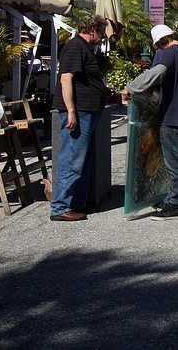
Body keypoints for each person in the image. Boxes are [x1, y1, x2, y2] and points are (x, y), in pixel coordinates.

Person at [124, 24, 178, 220]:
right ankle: (173, 199)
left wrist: (131, 87)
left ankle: (177, 205)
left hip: (171, 115)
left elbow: (156, 73)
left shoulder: (168, 53)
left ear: (160, 42)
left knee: (174, 163)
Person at [50, 14, 109, 222]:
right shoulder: (75, 47)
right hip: (79, 112)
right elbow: (66, 78)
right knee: (72, 159)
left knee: (83, 159)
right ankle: (60, 206)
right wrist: (71, 111)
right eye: (102, 32)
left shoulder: (84, 49)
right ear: (92, 30)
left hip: (88, 111)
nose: (103, 37)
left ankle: (77, 202)